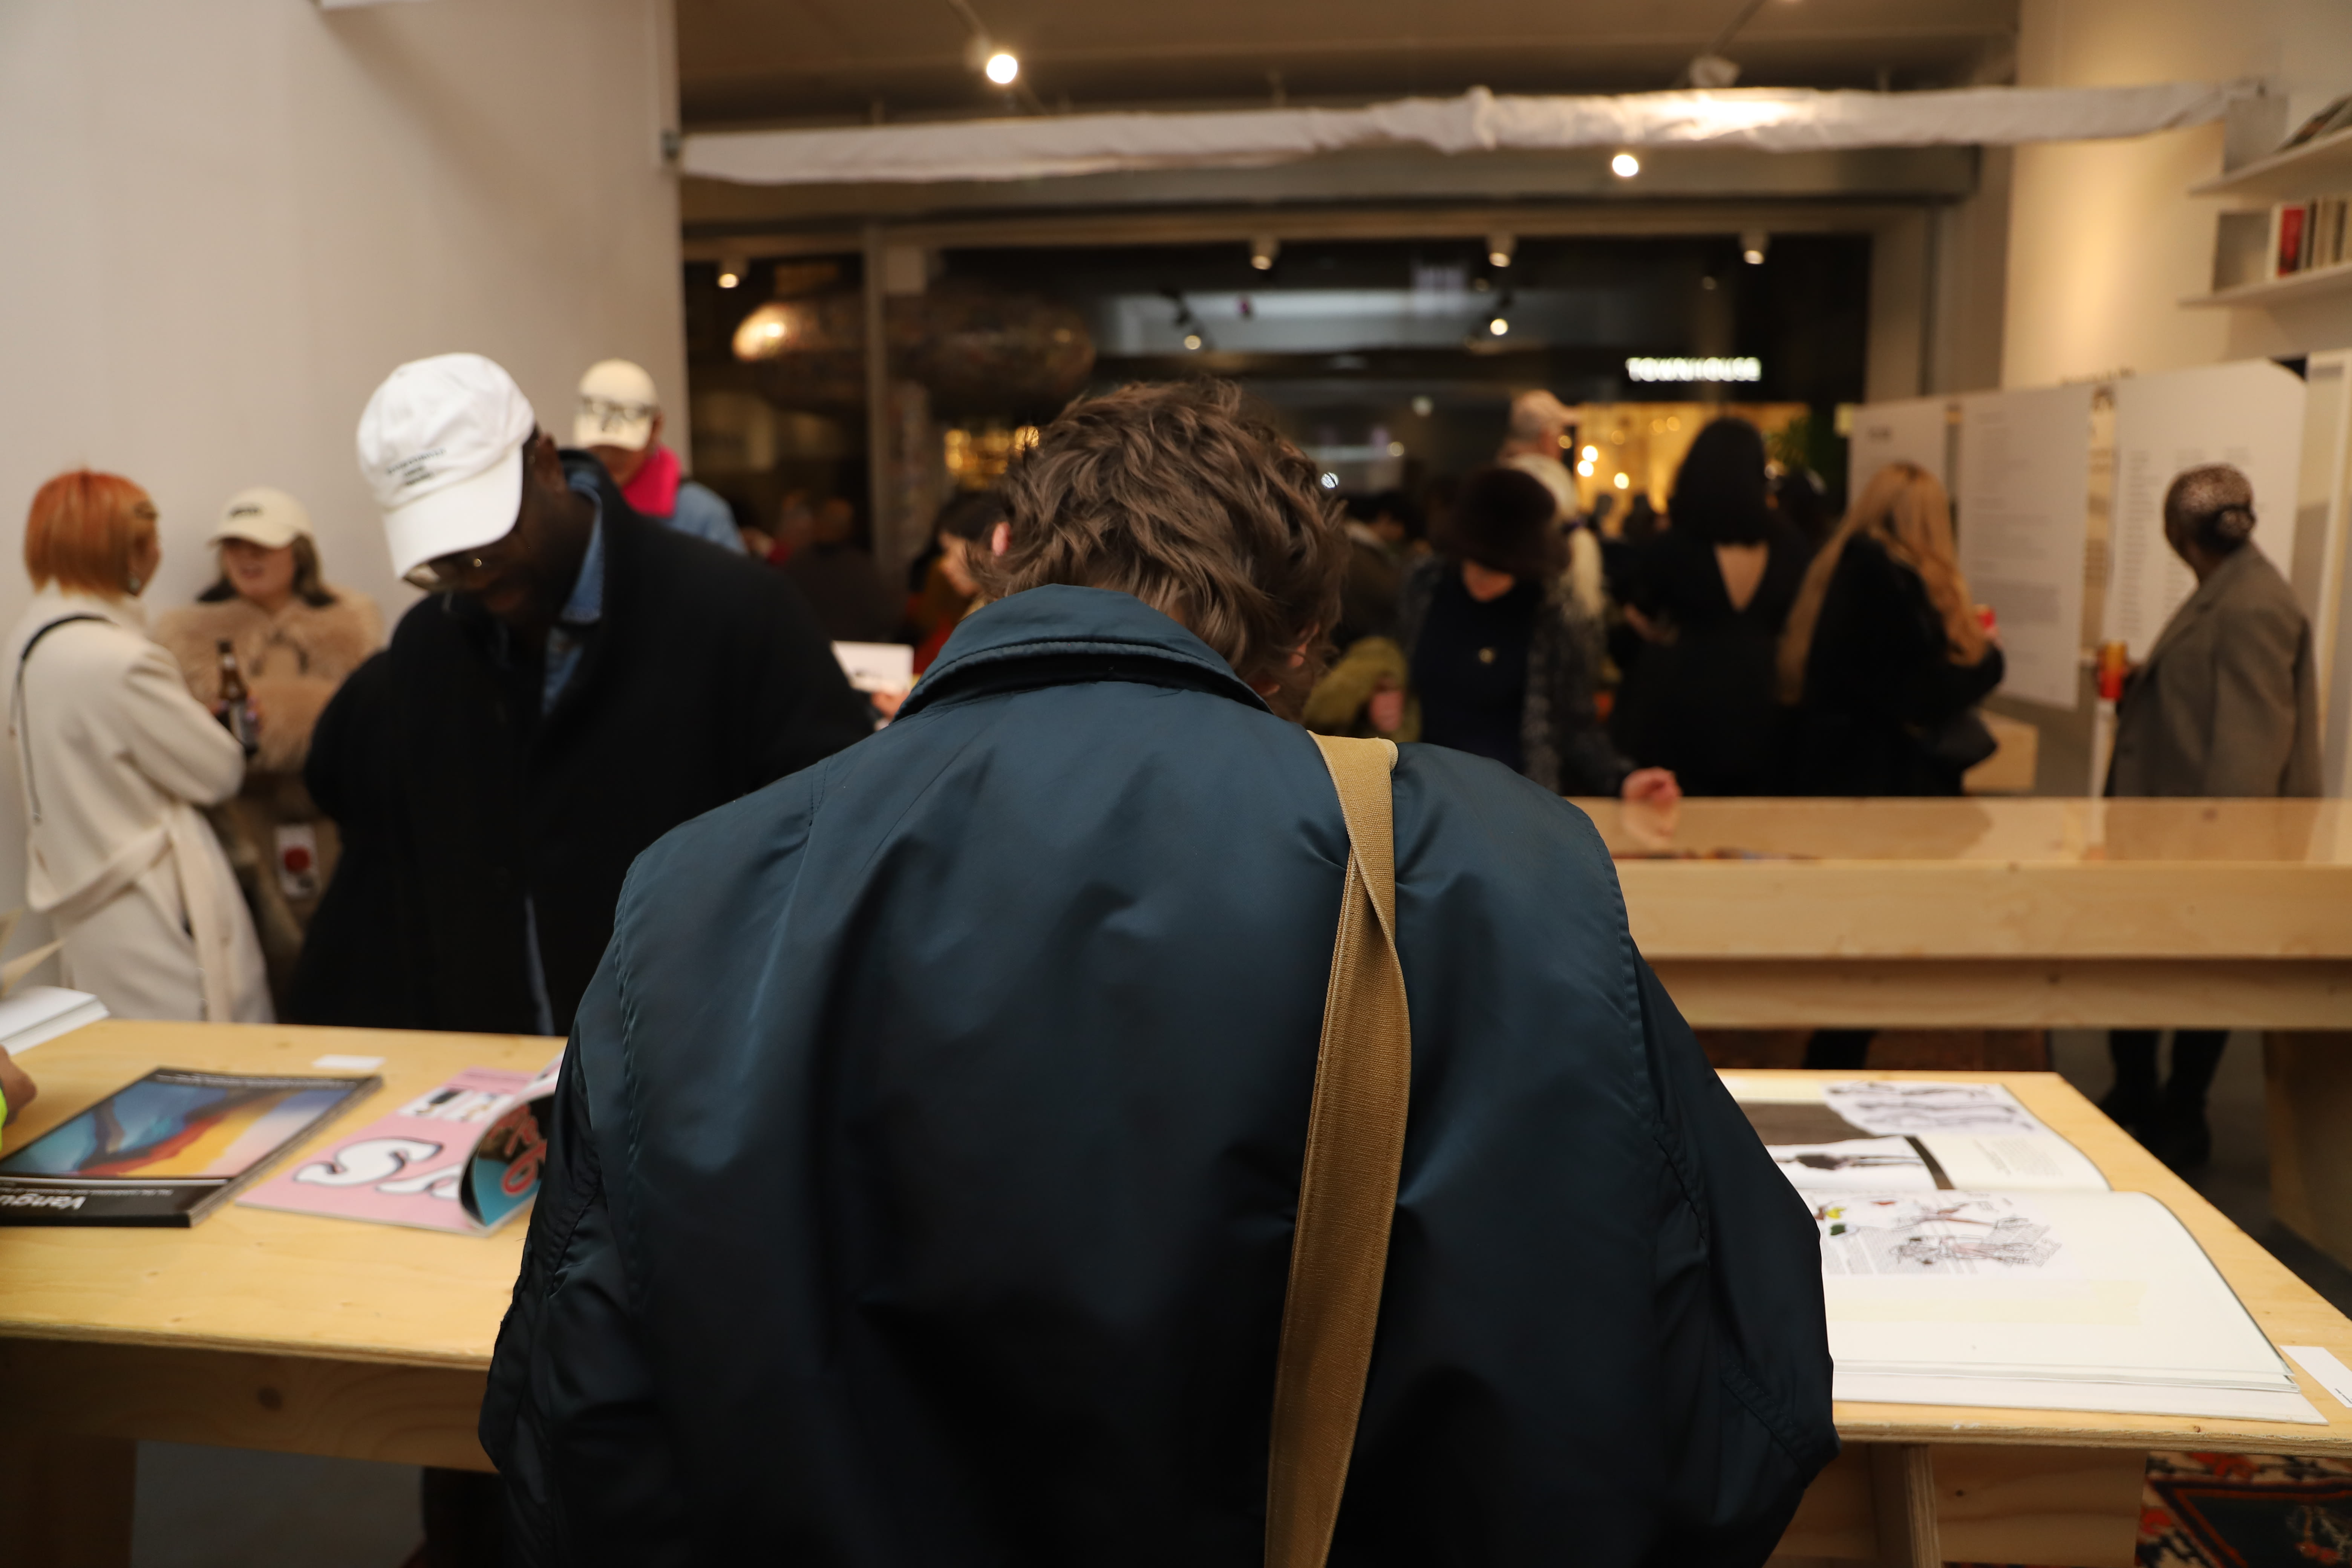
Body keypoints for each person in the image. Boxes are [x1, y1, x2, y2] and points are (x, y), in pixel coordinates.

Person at [482, 377, 1836, 1562]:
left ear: (997, 560)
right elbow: (1733, 1400)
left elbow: (581, 1432)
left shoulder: (699, 890)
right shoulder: (1496, 871)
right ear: (1303, 647)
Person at [295, 351, 872, 1038]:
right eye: (442, 563)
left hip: (708, 1069)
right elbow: (427, 893)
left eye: (482, 542)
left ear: (543, 462)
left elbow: (844, 849)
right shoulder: (431, 643)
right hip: (503, 1081)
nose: (473, 578)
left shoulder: (736, 611)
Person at [2102, 464, 2319, 1169]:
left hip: (2203, 843)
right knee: (2142, 975)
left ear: (2181, 534)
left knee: (2192, 983)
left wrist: (2221, 865)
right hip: (2178, 835)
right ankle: (2145, 1100)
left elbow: (2250, 751)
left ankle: (2178, 1115)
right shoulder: (2232, 592)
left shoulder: (2253, 605)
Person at [5, 472, 270, 1023]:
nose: (159, 554)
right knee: (206, 1074)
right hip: (158, 905)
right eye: (151, 540)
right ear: (127, 555)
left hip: (85, 902)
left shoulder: (26, 645)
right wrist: (214, 731)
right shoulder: (119, 659)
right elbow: (218, 773)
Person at [1778, 462, 2003, 1071]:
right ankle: (1835, 1068)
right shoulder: (1883, 579)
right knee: (1872, 948)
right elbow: (1915, 694)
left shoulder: (1844, 568)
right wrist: (1987, 664)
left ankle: (1837, 1060)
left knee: (1865, 945)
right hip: (1878, 792)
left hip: (1849, 783)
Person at [154, 487, 381, 1012]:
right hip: (238, 826)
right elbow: (179, 736)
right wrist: (313, 711)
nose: (246, 558)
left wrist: (260, 716)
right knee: (257, 958)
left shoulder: (351, 621)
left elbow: (366, 722)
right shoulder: (188, 633)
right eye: (234, 546)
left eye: (262, 545)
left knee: (340, 950)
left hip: (334, 821)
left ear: (297, 551)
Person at [1397, 466, 1677, 801]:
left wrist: (1623, 779)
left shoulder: (1551, 614)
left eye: (1501, 570)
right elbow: (1388, 662)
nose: (1485, 579)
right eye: (1478, 563)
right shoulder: (1424, 586)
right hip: (1419, 796)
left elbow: (1575, 724)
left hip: (1513, 803)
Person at [1609, 418, 1813, 796]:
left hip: (1684, 694)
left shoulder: (1674, 546)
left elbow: (1642, 613)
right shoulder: (1789, 545)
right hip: (1763, 695)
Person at [1778, 461, 2003, 798]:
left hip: (1832, 770)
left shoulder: (1833, 569)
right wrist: (1987, 659)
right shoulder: (1890, 582)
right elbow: (1921, 694)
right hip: (1883, 782)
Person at [572, 358, 745, 554]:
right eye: (599, 447)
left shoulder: (701, 516)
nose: (610, 458)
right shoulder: (570, 502)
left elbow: (736, 584)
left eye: (622, 449)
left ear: (656, 428)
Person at [1497, 389, 1606, 621]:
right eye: (1561, 437)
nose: (1561, 447)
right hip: (1544, 612)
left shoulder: (1500, 476)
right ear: (1547, 437)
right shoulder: (1547, 481)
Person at [906, 490, 1005, 675]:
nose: (944, 566)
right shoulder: (983, 608)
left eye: (950, 550)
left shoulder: (999, 619)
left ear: (994, 545)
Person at [781, 495, 901, 643]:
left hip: (809, 650)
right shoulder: (861, 568)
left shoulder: (796, 564)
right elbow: (884, 618)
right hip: (853, 654)